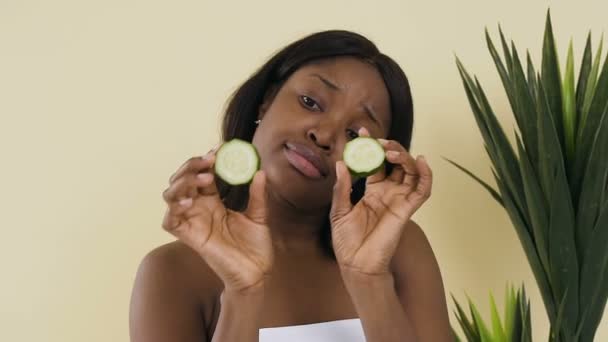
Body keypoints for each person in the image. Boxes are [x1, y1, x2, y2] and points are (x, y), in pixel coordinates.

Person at [129, 30, 452, 341]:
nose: (324, 135)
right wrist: (243, 293)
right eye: (311, 102)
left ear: (374, 164)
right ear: (266, 102)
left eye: (355, 135)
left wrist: (369, 280)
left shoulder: (401, 248)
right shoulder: (171, 272)